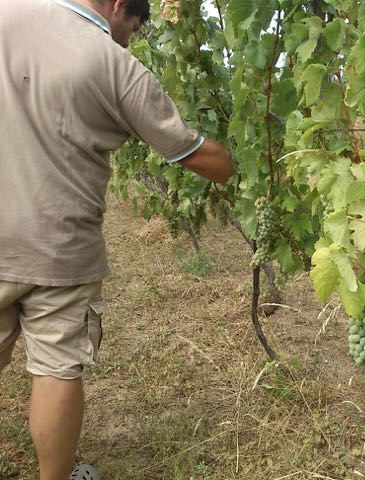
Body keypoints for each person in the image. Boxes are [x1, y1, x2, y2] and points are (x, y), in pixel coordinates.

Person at [0, 0, 234, 479]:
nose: (128, 39)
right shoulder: (115, 64)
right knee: (57, 368)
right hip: (61, 247)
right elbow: (190, 152)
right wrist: (248, 168)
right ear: (120, 6)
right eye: (132, 28)